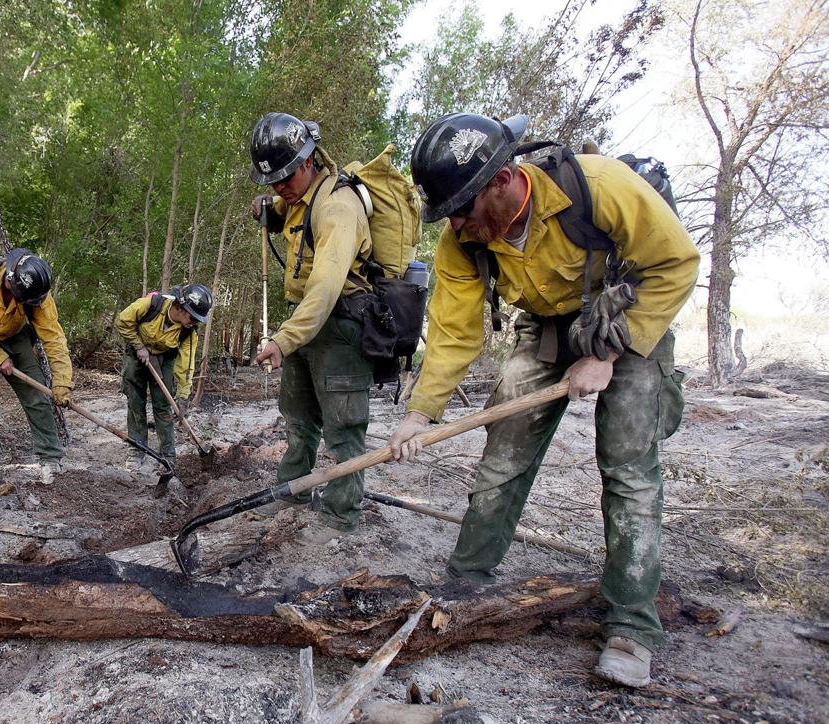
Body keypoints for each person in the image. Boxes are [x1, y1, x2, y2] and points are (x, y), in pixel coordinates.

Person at [388, 113, 699, 687]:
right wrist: (417, 414)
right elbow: (455, 333)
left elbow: (676, 263)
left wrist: (607, 355)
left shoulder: (600, 186)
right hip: (546, 329)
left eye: (462, 207)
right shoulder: (461, 239)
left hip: (629, 318)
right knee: (503, 458)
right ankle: (465, 583)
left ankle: (631, 624)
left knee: (629, 468)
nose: (455, 223)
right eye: (447, 213)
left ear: (503, 180)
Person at [248, 112, 374, 546]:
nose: (278, 188)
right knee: (298, 416)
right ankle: (294, 491)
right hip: (303, 322)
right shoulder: (299, 195)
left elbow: (324, 288)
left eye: (284, 178)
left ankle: (341, 516)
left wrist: (282, 340)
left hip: (339, 326)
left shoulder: (338, 205)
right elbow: (286, 210)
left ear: (308, 160)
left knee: (343, 427)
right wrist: (270, 210)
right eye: (271, 182)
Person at [0, 249, 71, 480]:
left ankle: (50, 457)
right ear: (10, 280)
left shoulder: (38, 292)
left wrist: (62, 383)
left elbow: (53, 337)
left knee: (37, 397)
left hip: (15, 336)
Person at [114, 284, 212, 468]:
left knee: (163, 405)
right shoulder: (151, 304)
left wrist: (183, 397)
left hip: (164, 357)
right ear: (181, 308)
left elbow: (186, 366)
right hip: (137, 351)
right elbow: (123, 320)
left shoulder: (188, 332)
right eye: (193, 317)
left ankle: (167, 455)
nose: (195, 322)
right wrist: (139, 346)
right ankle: (137, 449)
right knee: (135, 402)